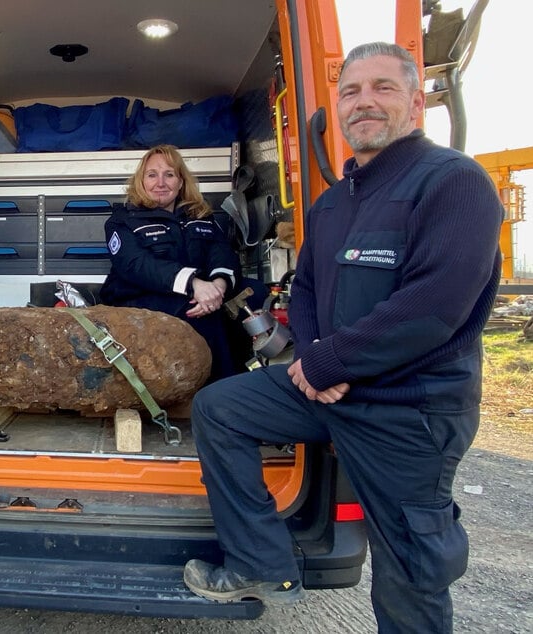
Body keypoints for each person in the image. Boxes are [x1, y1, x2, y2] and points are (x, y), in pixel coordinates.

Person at [183, 42, 503, 633]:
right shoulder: (334, 203)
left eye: (382, 88)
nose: (364, 102)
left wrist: (329, 362)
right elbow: (303, 291)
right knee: (220, 408)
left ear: (414, 102)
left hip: (409, 409)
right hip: (331, 389)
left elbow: (435, 307)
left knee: (410, 570)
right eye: (351, 91)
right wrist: (309, 360)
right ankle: (260, 563)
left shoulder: (454, 182)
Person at [100, 144, 257, 380]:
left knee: (257, 294)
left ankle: (260, 374)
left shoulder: (200, 216)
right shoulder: (122, 220)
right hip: (139, 297)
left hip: (201, 292)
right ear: (140, 182)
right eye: (152, 175)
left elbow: (221, 252)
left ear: (181, 182)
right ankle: (222, 389)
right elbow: (137, 265)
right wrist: (194, 285)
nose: (160, 182)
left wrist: (219, 285)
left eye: (169, 174)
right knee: (201, 314)